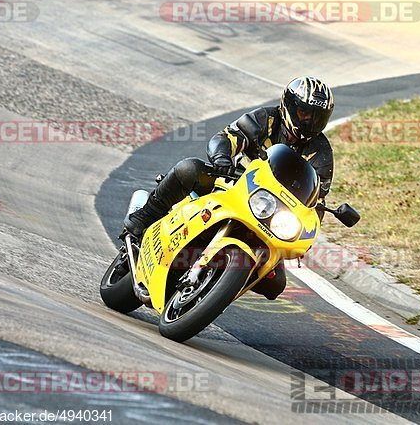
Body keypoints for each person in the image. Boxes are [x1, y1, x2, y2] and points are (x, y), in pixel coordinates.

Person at [122, 76, 335, 300]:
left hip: (270, 214)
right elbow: (226, 137)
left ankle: (220, 282)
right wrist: (222, 159)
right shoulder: (266, 119)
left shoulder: (321, 152)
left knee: (276, 284)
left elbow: (316, 200)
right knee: (189, 169)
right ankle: (145, 216)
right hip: (231, 185)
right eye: (304, 113)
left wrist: (309, 223)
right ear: (290, 106)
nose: (309, 121)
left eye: (317, 117)